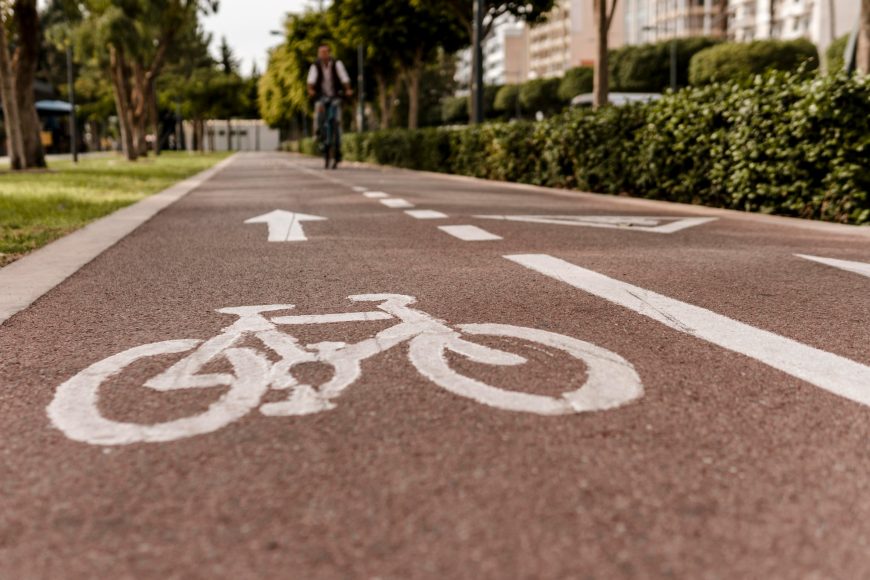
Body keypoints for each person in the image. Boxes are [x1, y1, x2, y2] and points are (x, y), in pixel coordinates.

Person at [307, 43, 352, 168]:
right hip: (322, 96)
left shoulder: (337, 63)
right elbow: (310, 81)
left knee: (337, 119)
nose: (323, 55)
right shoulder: (315, 66)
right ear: (318, 54)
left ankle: (338, 143)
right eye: (321, 52)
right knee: (318, 113)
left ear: (329, 53)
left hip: (335, 96)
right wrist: (311, 91)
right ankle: (317, 133)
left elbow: (344, 78)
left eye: (325, 52)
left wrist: (348, 89)